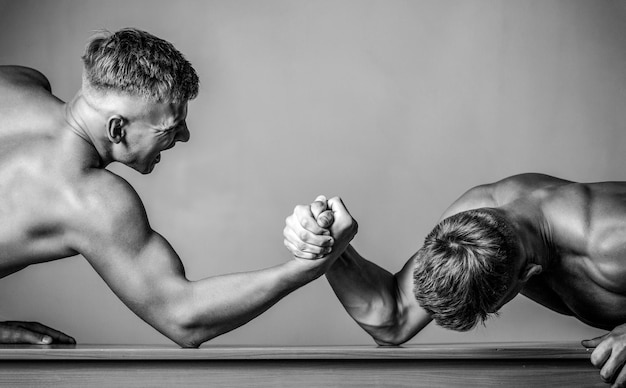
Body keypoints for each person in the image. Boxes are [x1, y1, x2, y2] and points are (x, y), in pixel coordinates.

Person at [0, 28, 357, 348]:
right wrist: (306, 269)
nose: (184, 137)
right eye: (170, 128)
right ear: (116, 130)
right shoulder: (90, 201)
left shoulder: (16, 83)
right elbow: (183, 318)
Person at [284, 173, 626, 387]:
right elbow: (393, 319)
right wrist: (326, 245)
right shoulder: (471, 223)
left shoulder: (611, 241)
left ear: (528, 276)